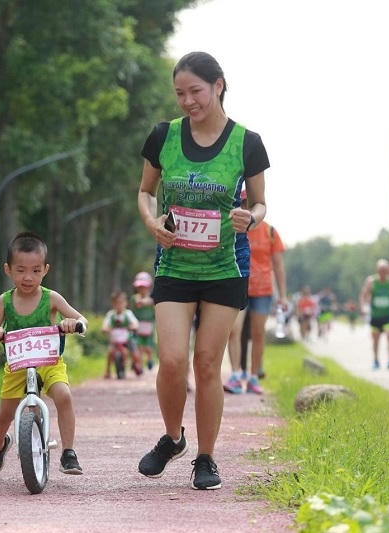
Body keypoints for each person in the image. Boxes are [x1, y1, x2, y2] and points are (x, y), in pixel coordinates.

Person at [136, 51, 269, 490]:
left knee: (208, 363)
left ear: (218, 85)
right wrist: (152, 222)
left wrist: (250, 217)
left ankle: (206, 458)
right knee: (173, 361)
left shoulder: (247, 142)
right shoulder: (163, 136)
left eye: (195, 91)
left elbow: (260, 202)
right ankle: (173, 438)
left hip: (225, 266)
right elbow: (144, 192)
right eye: (179, 93)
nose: (187, 101)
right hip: (174, 263)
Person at [0, 232, 88, 475]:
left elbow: (79, 317)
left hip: (49, 362)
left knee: (64, 396)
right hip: (17, 364)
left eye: (35, 270)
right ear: (8, 269)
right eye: (20, 270)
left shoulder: (51, 298)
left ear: (45, 270)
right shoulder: (5, 302)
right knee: (4, 415)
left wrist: (74, 324)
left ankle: (69, 452)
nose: (28, 277)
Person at [224, 188, 287, 395]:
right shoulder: (232, 228)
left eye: (249, 204)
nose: (245, 207)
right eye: (242, 203)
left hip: (262, 290)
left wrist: (283, 296)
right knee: (234, 330)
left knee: (258, 334)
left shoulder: (269, 232)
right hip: (237, 285)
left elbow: (278, 266)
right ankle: (235, 374)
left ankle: (252, 377)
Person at [359, 259, 389, 369]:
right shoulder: (371, 281)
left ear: (388, 271)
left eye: (385, 270)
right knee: (376, 339)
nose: (383, 273)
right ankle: (376, 360)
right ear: (377, 270)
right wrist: (363, 307)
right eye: (380, 270)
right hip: (376, 315)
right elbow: (363, 295)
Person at [102, 290, 140, 378]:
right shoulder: (111, 314)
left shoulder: (128, 314)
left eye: (121, 303)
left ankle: (136, 364)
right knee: (110, 352)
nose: (119, 305)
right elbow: (105, 325)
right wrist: (105, 329)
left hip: (126, 338)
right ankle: (108, 370)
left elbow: (135, 323)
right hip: (115, 339)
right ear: (113, 304)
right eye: (117, 303)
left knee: (134, 351)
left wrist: (133, 327)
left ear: (125, 303)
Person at [131, 271, 157, 370]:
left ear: (149, 287)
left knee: (148, 347)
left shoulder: (151, 298)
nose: (142, 289)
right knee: (138, 346)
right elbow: (134, 306)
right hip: (137, 325)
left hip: (148, 325)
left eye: (144, 287)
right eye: (140, 287)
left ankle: (150, 359)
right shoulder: (134, 298)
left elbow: (152, 304)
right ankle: (139, 365)